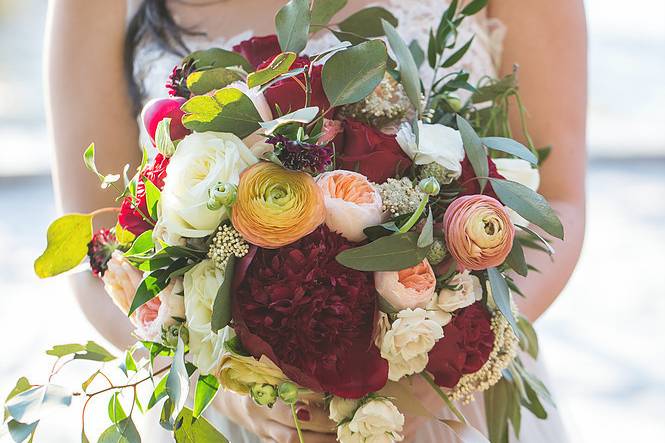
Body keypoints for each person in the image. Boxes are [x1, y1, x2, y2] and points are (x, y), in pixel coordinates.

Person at [44, 0, 586, 441]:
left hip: (451, 405)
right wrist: (233, 388)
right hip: (231, 415)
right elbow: (94, 247)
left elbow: (558, 203)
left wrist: (448, 362)